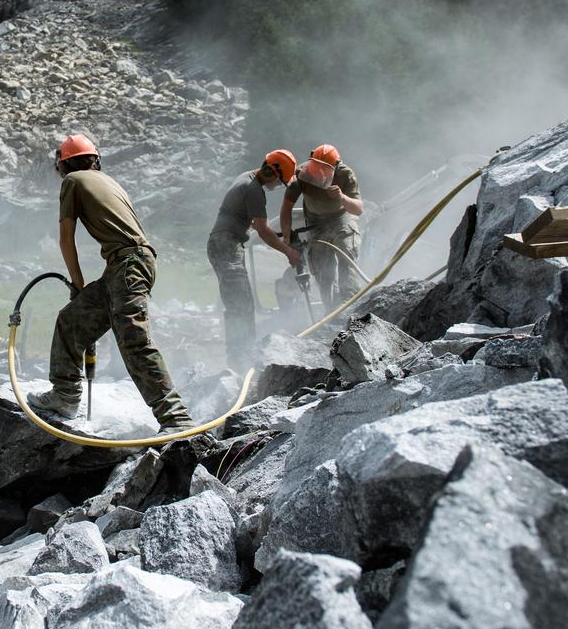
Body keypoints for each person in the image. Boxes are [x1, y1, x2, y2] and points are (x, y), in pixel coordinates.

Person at [28, 134, 194, 432]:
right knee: (72, 320)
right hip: (125, 265)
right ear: (96, 159)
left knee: (133, 339)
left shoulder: (73, 181)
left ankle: (176, 419)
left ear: (63, 165)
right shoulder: (109, 181)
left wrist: (76, 285)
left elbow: (66, 238)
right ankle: (65, 396)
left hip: (128, 265)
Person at [208, 151, 303, 361]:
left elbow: (252, 222)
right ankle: (240, 359)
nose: (279, 186)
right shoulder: (254, 190)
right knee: (240, 303)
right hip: (226, 245)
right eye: (280, 181)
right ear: (271, 170)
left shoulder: (246, 177)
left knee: (240, 302)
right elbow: (263, 229)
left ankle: (241, 355)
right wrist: (289, 252)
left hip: (225, 244)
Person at [280, 144, 365, 308]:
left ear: (336, 166)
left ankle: (349, 303)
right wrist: (286, 236)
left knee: (347, 248)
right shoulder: (301, 175)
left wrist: (342, 197)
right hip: (315, 222)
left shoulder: (345, 175)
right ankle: (331, 309)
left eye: (324, 170)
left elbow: (358, 209)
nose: (318, 174)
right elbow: (286, 207)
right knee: (321, 266)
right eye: (315, 168)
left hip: (341, 217)